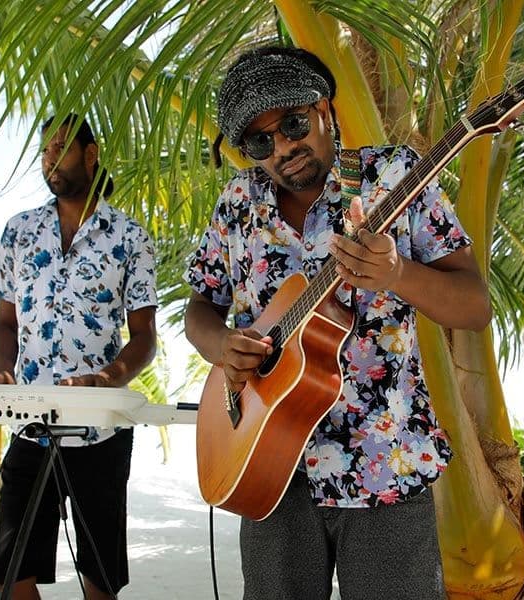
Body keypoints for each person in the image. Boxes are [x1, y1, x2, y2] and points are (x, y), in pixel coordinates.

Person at [184, 45, 491, 600]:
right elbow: (200, 307)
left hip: (384, 467)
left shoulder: (394, 177)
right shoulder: (236, 202)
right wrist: (221, 347)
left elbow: (473, 305)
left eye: (293, 123)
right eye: (260, 141)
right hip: (269, 466)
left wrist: (397, 273)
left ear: (326, 108)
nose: (283, 148)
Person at [0, 114, 158, 599]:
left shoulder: (129, 238)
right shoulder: (19, 232)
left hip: (101, 431)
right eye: (45, 149)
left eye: (61, 147)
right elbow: (6, 323)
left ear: (91, 155)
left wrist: (107, 379)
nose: (50, 157)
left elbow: (144, 337)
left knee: (100, 580)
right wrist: (3, 374)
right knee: (12, 577)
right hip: (30, 427)